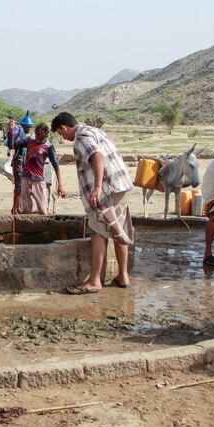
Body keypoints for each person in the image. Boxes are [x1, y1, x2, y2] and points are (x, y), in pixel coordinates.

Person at [50, 112, 133, 294]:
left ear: (63, 128)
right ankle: (123, 276)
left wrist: (97, 187)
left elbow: (96, 155)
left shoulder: (81, 137)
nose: (63, 137)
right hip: (122, 186)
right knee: (118, 230)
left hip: (107, 190)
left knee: (97, 232)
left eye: (60, 134)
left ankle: (95, 280)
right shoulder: (95, 131)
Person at [17, 123, 66, 214]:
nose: (38, 139)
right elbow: (14, 144)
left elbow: (56, 165)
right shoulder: (29, 141)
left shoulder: (48, 147)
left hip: (38, 180)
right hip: (25, 178)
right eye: (37, 136)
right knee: (26, 210)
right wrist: (12, 131)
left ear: (46, 136)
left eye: (41, 138)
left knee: (43, 210)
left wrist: (60, 185)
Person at [6, 114, 30, 214]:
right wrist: (11, 131)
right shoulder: (18, 130)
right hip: (18, 162)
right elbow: (11, 145)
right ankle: (16, 208)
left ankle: (17, 208)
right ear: (24, 126)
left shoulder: (22, 132)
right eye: (29, 127)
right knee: (19, 185)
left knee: (20, 185)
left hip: (22, 162)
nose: (30, 129)